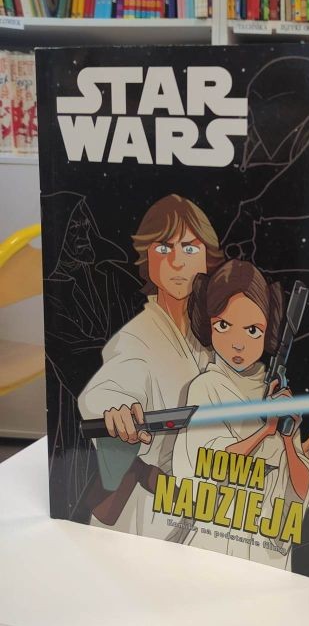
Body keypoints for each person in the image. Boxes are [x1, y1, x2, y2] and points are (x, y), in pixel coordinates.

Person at [77, 193, 224, 538]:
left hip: (194, 505)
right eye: (163, 248)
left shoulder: (209, 336)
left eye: (189, 248)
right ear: (148, 257)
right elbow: (108, 389)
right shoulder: (138, 337)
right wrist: (116, 410)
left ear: (207, 257)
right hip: (145, 514)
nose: (176, 261)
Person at [173, 260, 309, 569]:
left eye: (252, 330)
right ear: (209, 324)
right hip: (214, 541)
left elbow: (301, 490)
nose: (238, 343)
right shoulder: (206, 387)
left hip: (265, 552)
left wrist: (287, 438)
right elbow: (206, 466)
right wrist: (264, 431)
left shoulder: (276, 395)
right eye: (224, 326)